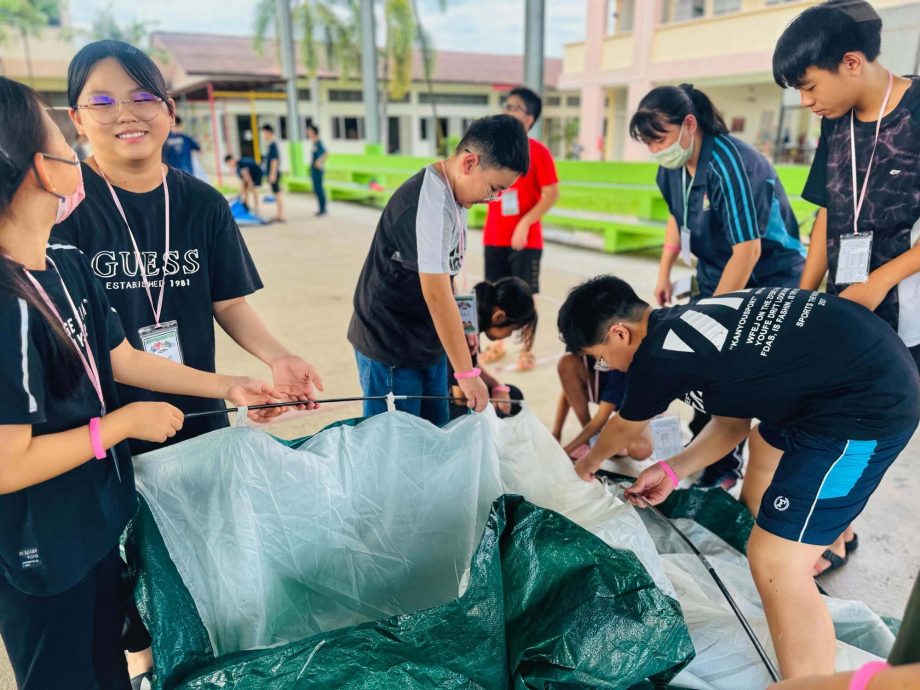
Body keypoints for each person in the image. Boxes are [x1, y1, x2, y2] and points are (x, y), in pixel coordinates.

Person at [0, 75, 284, 690]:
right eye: (62, 138)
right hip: (40, 551)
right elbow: (5, 464)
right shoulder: (8, 302)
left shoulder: (65, 264)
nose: (76, 155)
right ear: (37, 170)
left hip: (96, 520)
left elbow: (124, 358)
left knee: (108, 664)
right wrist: (121, 425)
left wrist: (229, 384)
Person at [53, 39, 323, 685]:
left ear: (170, 111)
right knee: (119, 563)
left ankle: (199, 660)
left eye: (145, 96)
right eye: (104, 100)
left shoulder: (202, 202)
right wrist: (232, 383)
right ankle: (143, 662)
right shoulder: (63, 205)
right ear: (75, 119)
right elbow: (87, 347)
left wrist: (278, 356)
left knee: (202, 551)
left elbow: (228, 302)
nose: (128, 112)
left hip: (196, 419)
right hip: (103, 430)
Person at [556, 275, 919, 679]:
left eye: (601, 358)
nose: (607, 368)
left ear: (619, 333)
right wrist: (673, 470)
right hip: (849, 375)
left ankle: (806, 682)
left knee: (775, 559)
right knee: (765, 447)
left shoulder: (655, 357)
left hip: (865, 405)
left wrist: (582, 471)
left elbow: (623, 430)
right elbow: (731, 424)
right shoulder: (691, 321)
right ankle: (784, 546)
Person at [773, 0, 920, 576]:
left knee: (874, 426)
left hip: (906, 311)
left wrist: (880, 280)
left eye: (810, 88)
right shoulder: (837, 123)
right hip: (846, 307)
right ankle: (833, 528)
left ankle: (833, 529)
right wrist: (802, 297)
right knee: (833, 418)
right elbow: (829, 217)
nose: (807, 104)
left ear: (852, 63)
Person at [629, 84, 807, 489]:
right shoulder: (670, 168)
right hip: (715, 275)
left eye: (660, 138)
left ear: (689, 124)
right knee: (704, 369)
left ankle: (728, 467)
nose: (656, 150)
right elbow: (678, 219)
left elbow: (747, 251)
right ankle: (710, 457)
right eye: (649, 143)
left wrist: (713, 316)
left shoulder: (729, 163)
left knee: (734, 370)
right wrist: (664, 271)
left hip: (769, 280)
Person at [348, 114, 529, 426]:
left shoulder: (456, 196)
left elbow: (447, 276)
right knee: (398, 443)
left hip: (426, 341)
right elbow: (436, 294)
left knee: (436, 434)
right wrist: (467, 374)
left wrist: (462, 328)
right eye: (494, 188)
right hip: (391, 344)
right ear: (470, 163)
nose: (493, 199)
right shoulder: (428, 204)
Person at [480, 87, 559, 372]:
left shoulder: (538, 152)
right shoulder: (494, 150)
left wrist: (525, 223)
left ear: (530, 118)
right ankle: (496, 343)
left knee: (526, 295)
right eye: (507, 105)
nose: (508, 111)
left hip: (526, 239)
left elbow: (551, 193)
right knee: (492, 293)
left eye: (516, 107)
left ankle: (527, 350)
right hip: (494, 235)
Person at [447, 277, 537, 421]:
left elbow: (470, 365)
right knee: (507, 403)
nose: (508, 336)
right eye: (512, 330)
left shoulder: (470, 314)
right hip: (448, 398)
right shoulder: (467, 330)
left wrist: (496, 385)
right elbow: (459, 391)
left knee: (512, 396)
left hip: (455, 389)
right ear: (499, 317)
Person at [551, 353, 652, 462]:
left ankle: (596, 437)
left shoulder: (617, 361)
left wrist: (564, 452)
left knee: (639, 448)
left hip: (632, 405)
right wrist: (556, 434)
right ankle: (591, 438)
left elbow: (599, 420)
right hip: (607, 396)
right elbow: (568, 390)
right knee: (566, 363)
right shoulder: (585, 349)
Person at [261, 124, 284, 222]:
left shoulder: (273, 144)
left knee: (277, 193)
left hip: (274, 173)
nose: (263, 136)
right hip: (272, 172)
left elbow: (274, 160)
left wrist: (272, 174)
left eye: (264, 133)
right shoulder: (270, 144)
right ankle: (279, 214)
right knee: (276, 193)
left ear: (269, 133)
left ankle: (280, 215)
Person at [306, 123, 328, 217]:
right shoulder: (314, 142)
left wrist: (319, 162)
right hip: (314, 170)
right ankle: (320, 208)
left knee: (319, 189)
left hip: (318, 170)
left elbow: (326, 153)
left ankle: (323, 209)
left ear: (314, 132)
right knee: (316, 189)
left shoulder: (318, 142)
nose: (308, 132)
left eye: (309, 131)